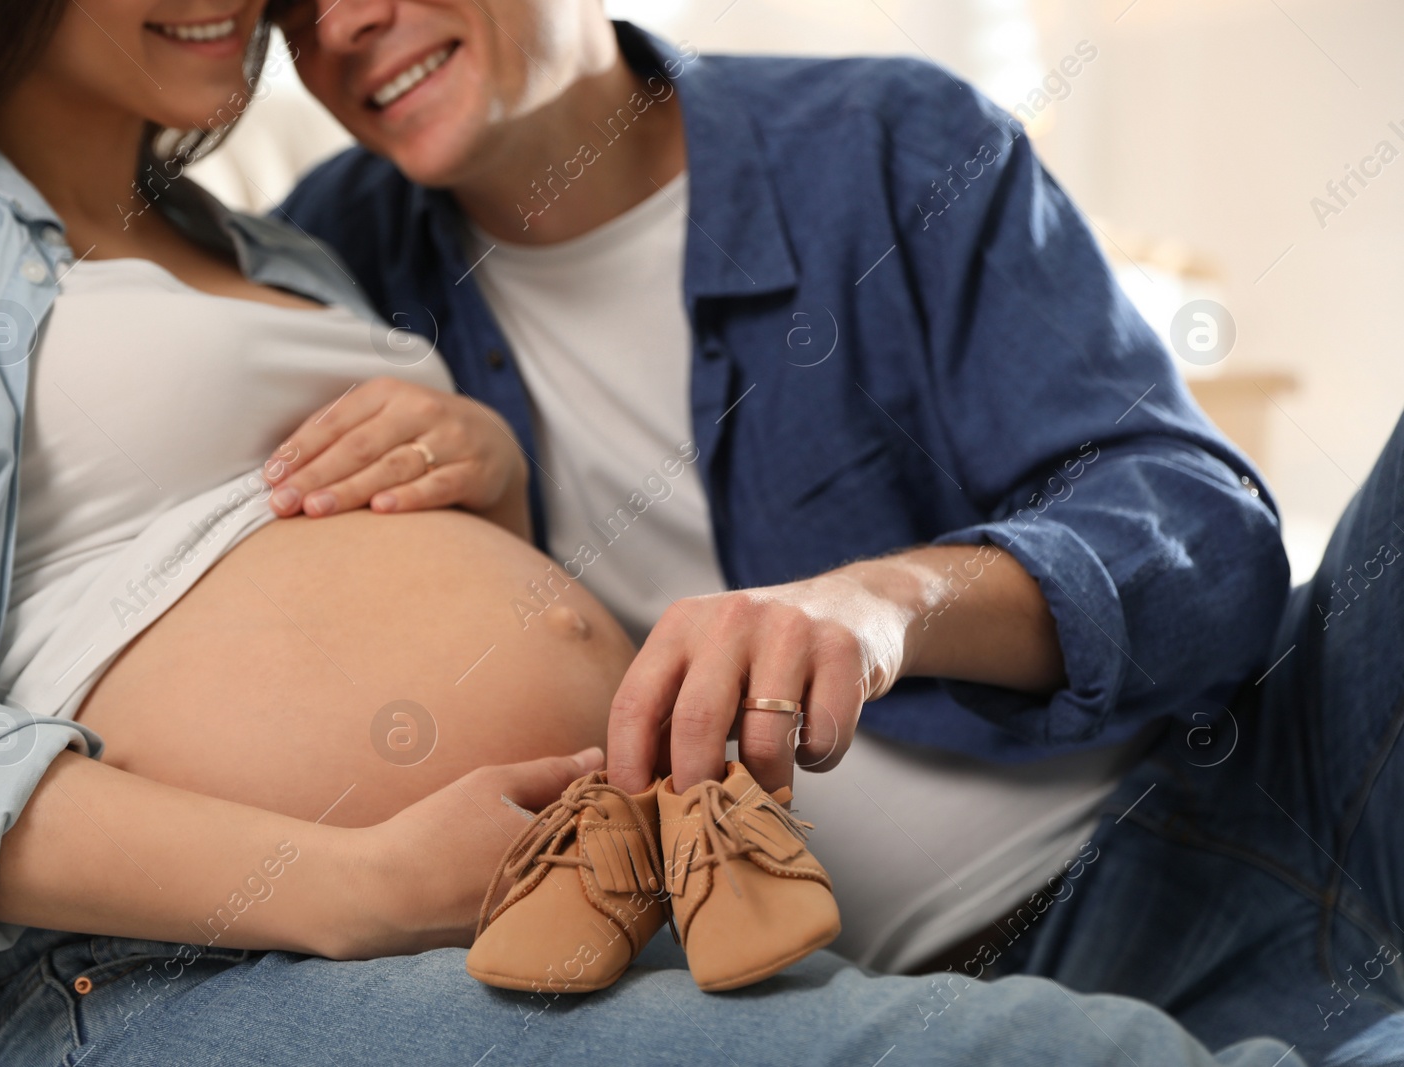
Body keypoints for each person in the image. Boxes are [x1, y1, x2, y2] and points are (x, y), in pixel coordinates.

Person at [271, 0, 1404, 1059]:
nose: (344, 21)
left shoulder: (889, 139)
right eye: (288, 1)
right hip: (1020, 979)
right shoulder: (317, 267)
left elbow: (1209, 534)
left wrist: (888, 603)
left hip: (1273, 767)